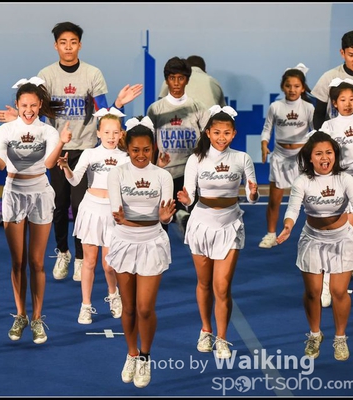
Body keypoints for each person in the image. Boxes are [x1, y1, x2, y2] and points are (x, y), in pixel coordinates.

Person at [0, 21, 143, 281]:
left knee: (80, 205)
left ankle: (80, 258)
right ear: (56, 46)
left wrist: (118, 104)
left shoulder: (93, 74)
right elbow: (36, 111)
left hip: (85, 148)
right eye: (63, 42)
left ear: (80, 45)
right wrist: (17, 120)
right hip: (57, 149)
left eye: (73, 42)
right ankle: (62, 252)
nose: (68, 47)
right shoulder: (46, 75)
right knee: (59, 205)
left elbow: (102, 112)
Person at [0, 77, 71, 345]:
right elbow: (1, 165)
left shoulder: (49, 132)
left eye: (33, 105)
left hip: (40, 193)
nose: (28, 110)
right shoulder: (5, 131)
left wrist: (62, 142)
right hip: (13, 194)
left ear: (40, 105)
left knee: (37, 262)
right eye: (24, 105)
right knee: (17, 262)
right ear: (17, 105)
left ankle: (37, 319)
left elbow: (50, 165)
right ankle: (20, 315)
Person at [275, 131, 353, 361]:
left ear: (335, 155)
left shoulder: (345, 179)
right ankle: (315, 335)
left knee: (338, 292)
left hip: (342, 239)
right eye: (319, 154)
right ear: (310, 157)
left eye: (329, 152)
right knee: (313, 292)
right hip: (313, 239)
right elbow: (293, 208)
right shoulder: (302, 181)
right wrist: (287, 226)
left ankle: (340, 338)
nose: (325, 158)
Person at [177, 105, 259, 360]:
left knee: (222, 287)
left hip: (230, 224)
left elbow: (251, 196)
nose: (221, 137)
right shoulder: (196, 159)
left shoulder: (242, 158)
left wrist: (253, 193)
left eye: (226, 133)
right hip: (201, 224)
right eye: (217, 132)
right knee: (204, 283)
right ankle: (206, 330)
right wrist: (185, 199)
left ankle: (223, 338)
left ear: (234, 134)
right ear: (208, 133)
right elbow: (190, 196)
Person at [105, 116, 175, 389]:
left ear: (153, 148)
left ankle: (145, 356)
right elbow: (117, 214)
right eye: (135, 150)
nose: (141, 155)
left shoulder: (163, 176)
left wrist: (162, 218)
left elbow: (166, 216)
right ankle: (131, 353)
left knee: (145, 308)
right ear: (127, 148)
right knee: (129, 307)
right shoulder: (117, 174)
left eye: (146, 149)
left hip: (152, 243)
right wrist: (150, 218)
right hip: (124, 243)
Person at [56, 108, 129, 324]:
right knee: (89, 262)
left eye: (115, 132)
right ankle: (86, 306)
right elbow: (74, 180)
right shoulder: (89, 154)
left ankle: (113, 295)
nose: (111, 137)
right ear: (98, 133)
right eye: (106, 132)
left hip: (113, 212)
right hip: (91, 209)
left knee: (109, 265)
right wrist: (66, 167)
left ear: (121, 133)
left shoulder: (126, 158)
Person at [319, 78, 353, 305]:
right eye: (342, 100)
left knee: (347, 236)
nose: (347, 104)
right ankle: (327, 283)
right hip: (336, 184)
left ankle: (333, 284)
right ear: (334, 103)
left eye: (351, 99)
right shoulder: (328, 126)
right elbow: (321, 156)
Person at [147, 56, 210, 233]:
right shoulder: (155, 109)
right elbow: (150, 144)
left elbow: (208, 140)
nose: (176, 83)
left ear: (187, 80)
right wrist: (151, 171)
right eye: (172, 78)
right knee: (161, 226)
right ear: (166, 80)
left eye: (180, 78)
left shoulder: (198, 107)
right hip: (164, 173)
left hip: (191, 173)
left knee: (196, 226)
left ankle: (183, 218)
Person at [258, 64, 315, 249]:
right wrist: (264, 144)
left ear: (303, 88)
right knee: (274, 201)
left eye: (296, 86)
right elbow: (267, 129)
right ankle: (270, 235)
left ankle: (315, 234)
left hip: (302, 158)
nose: (292, 89)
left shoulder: (308, 108)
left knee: (312, 200)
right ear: (283, 86)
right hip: (280, 158)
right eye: (288, 86)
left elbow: (315, 132)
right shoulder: (275, 107)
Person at [311, 29, 353, 129]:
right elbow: (319, 114)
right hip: (334, 135)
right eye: (351, 55)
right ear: (342, 53)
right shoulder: (328, 78)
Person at [157, 55, 226, 108]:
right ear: (205, 71)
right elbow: (223, 111)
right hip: (208, 121)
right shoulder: (213, 82)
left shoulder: (172, 80)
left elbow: (160, 105)